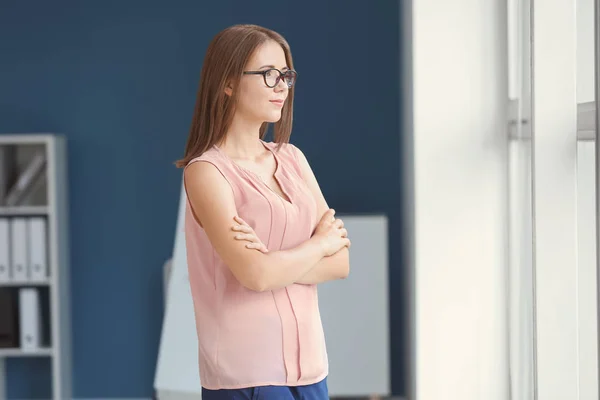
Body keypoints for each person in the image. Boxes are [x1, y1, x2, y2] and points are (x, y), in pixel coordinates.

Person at [175, 24, 351, 400]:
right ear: (227, 83)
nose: (282, 87)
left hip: (311, 366)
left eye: (286, 75)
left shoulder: (292, 158)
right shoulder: (206, 172)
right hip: (247, 373)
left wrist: (274, 263)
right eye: (269, 75)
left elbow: (341, 262)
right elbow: (255, 275)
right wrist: (319, 244)